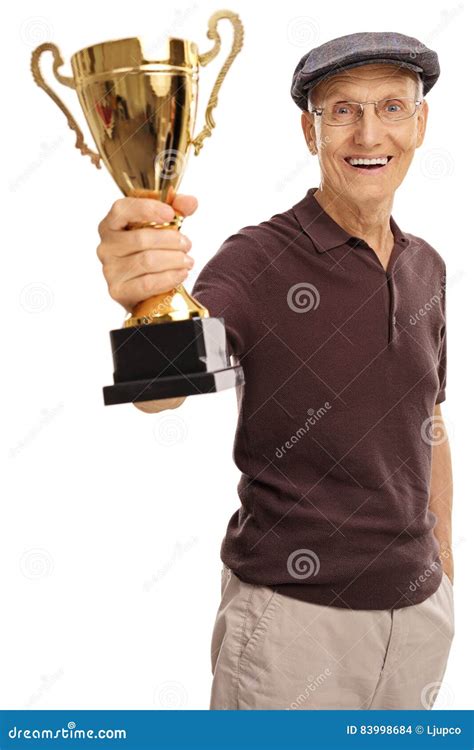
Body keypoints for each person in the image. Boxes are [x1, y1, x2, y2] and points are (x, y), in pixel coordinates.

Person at [96, 32, 454, 709]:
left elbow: (429, 417)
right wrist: (143, 295)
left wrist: (444, 565)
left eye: (391, 107)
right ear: (308, 130)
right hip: (293, 632)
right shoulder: (256, 260)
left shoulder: (427, 266)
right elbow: (162, 394)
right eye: (342, 110)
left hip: (418, 625)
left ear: (420, 122)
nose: (369, 132)